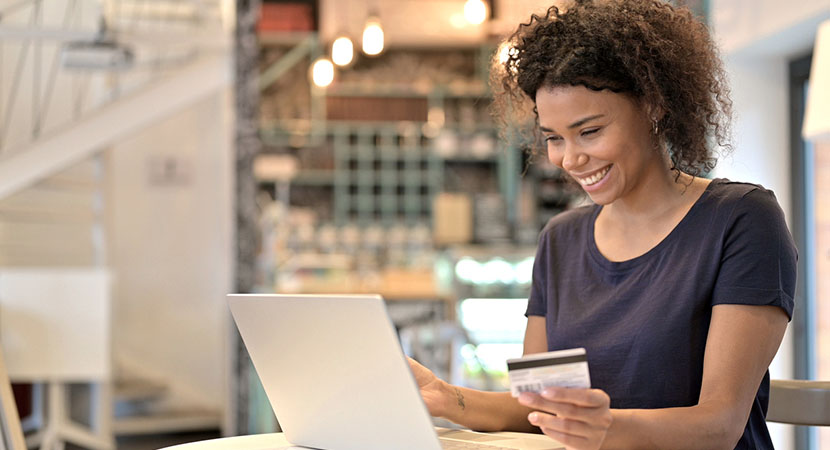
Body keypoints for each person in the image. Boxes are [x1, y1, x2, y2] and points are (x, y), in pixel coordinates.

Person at [408, 0, 797, 449]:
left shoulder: (741, 219)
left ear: (653, 106)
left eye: (589, 131)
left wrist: (605, 427)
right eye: (554, 138)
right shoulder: (561, 238)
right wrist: (446, 397)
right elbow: (537, 407)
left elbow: (720, 424)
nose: (570, 159)